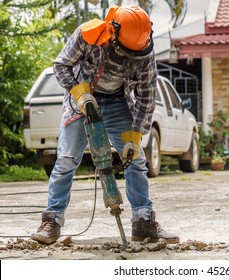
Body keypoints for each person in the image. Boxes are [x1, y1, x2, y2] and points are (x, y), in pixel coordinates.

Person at [31, 5, 179, 245]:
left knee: (136, 160)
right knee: (67, 159)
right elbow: (61, 65)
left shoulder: (144, 51)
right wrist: (79, 93)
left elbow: (146, 95)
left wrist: (135, 137)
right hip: (82, 100)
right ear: (113, 34)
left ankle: (143, 222)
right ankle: (52, 221)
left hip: (118, 101)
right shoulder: (88, 35)